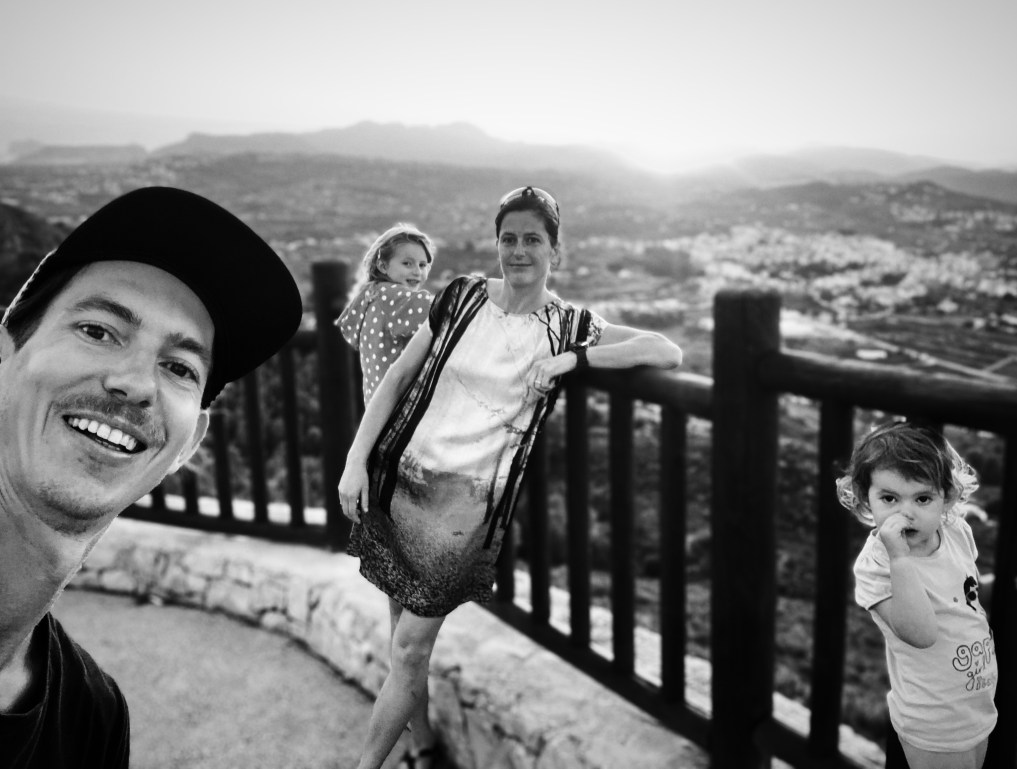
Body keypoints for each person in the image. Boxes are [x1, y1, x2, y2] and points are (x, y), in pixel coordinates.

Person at [337, 185, 682, 769]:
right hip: (400, 479)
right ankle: (423, 744)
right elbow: (397, 378)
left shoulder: (568, 325)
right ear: (497, 244)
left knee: (411, 646)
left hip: (464, 514)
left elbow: (666, 350)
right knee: (402, 638)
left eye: (533, 240)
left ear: (555, 251)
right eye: (509, 238)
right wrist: (354, 462)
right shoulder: (462, 295)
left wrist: (577, 358)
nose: (519, 250)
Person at [0, 186, 302, 768]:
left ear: (189, 443)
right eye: (97, 331)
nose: (136, 384)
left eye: (178, 367)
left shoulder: (92, 717)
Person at [837, 421, 997, 769]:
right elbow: (920, 634)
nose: (905, 513)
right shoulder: (877, 565)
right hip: (933, 720)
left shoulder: (955, 531)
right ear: (866, 498)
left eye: (922, 498)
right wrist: (900, 558)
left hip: (976, 704)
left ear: (946, 497)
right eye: (889, 498)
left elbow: (966, 591)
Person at [335, 223, 436, 404]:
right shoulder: (393, 297)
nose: (417, 271)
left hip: (378, 407)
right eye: (407, 263)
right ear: (383, 266)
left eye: (423, 265)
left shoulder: (370, 295)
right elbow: (441, 310)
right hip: (402, 406)